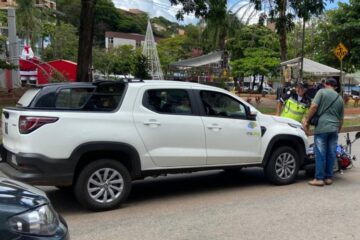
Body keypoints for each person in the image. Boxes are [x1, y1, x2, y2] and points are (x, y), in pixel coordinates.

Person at [303, 78, 344, 187]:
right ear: (335, 86)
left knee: (320, 153)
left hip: (322, 127)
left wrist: (307, 120)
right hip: (334, 129)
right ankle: (328, 177)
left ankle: (319, 178)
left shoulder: (321, 92)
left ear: (326, 84)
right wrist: (338, 129)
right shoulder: (340, 98)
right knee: (331, 153)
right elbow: (341, 119)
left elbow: (314, 106)